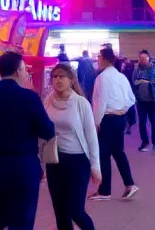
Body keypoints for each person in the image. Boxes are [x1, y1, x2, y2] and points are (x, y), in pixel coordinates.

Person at [0, 51, 56, 230]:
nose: (26, 74)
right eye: (24, 70)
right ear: (17, 71)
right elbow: (47, 131)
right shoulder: (30, 98)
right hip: (24, 168)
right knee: (21, 221)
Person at [43, 62, 100, 230]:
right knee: (60, 211)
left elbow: (91, 137)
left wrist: (96, 167)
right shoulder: (48, 101)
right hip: (54, 161)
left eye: (62, 76)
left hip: (77, 162)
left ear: (71, 80)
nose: (58, 80)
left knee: (75, 210)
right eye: (54, 77)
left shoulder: (81, 103)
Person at [90, 47, 138, 201]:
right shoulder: (121, 76)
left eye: (99, 57)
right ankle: (129, 184)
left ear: (105, 59)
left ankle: (104, 191)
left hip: (108, 119)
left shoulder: (102, 78)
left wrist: (95, 123)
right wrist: (122, 109)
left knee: (103, 154)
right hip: (120, 118)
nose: (97, 60)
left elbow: (100, 102)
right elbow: (131, 99)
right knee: (118, 151)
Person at [131, 51, 155, 152]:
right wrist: (137, 95)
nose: (142, 60)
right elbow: (134, 82)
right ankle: (144, 141)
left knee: (153, 121)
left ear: (149, 58)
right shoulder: (137, 70)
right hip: (141, 101)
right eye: (141, 58)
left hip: (152, 100)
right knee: (142, 122)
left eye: (144, 58)